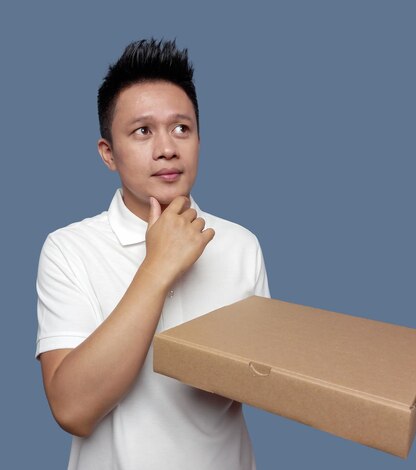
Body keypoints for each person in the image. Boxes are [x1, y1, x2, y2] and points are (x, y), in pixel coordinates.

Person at [35, 38, 269, 469]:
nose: (167, 148)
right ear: (109, 154)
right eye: (143, 131)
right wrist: (158, 265)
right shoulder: (68, 250)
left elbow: (261, 382)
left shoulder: (241, 245)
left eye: (182, 128)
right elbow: (72, 410)